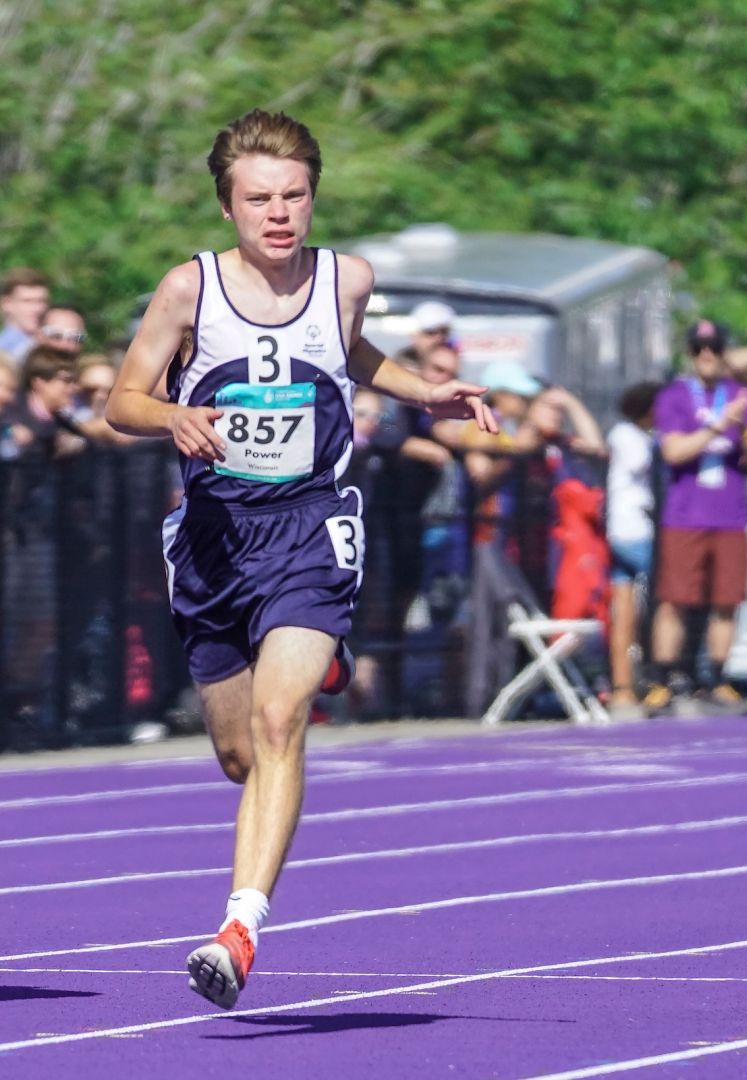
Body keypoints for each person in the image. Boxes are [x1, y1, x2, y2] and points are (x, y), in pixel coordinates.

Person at [104, 108, 495, 1010]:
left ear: (313, 196)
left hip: (311, 526)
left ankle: (238, 929)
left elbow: (347, 352)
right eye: (258, 199)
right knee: (241, 755)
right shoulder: (187, 290)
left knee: (283, 722)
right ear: (227, 206)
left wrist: (423, 393)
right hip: (213, 538)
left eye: (294, 196)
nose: (278, 214)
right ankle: (311, 656)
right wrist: (171, 416)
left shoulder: (345, 277)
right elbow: (123, 398)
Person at [644, 320, 747, 713]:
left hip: (729, 515)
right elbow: (674, 452)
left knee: (727, 600)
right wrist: (719, 424)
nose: (706, 354)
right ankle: (662, 680)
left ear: (723, 352)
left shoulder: (739, 394)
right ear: (691, 355)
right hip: (685, 515)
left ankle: (718, 680)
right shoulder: (675, 397)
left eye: (713, 347)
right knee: (674, 599)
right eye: (698, 348)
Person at [605, 381, 661, 710]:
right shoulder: (628, 435)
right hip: (632, 531)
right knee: (662, 602)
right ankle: (653, 677)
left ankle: (624, 686)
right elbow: (646, 464)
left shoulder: (637, 435)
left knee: (625, 612)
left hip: (629, 530)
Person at [0, 268, 49, 365]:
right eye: (27, 301)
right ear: (6, 303)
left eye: (42, 301)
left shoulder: (54, 344)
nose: (38, 309)